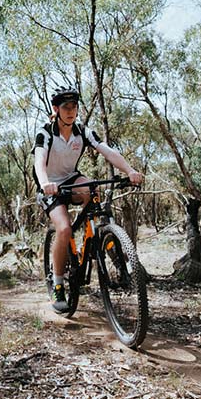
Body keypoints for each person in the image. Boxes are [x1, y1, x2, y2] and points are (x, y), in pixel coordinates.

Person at [33, 86, 144, 313]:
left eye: (74, 107)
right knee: (63, 229)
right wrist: (45, 183)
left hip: (72, 179)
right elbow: (39, 161)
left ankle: (90, 238)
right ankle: (58, 284)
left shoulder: (83, 132)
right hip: (50, 185)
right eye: (66, 107)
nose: (71, 111)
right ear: (56, 109)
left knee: (92, 190)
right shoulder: (45, 133)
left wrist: (130, 170)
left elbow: (108, 151)